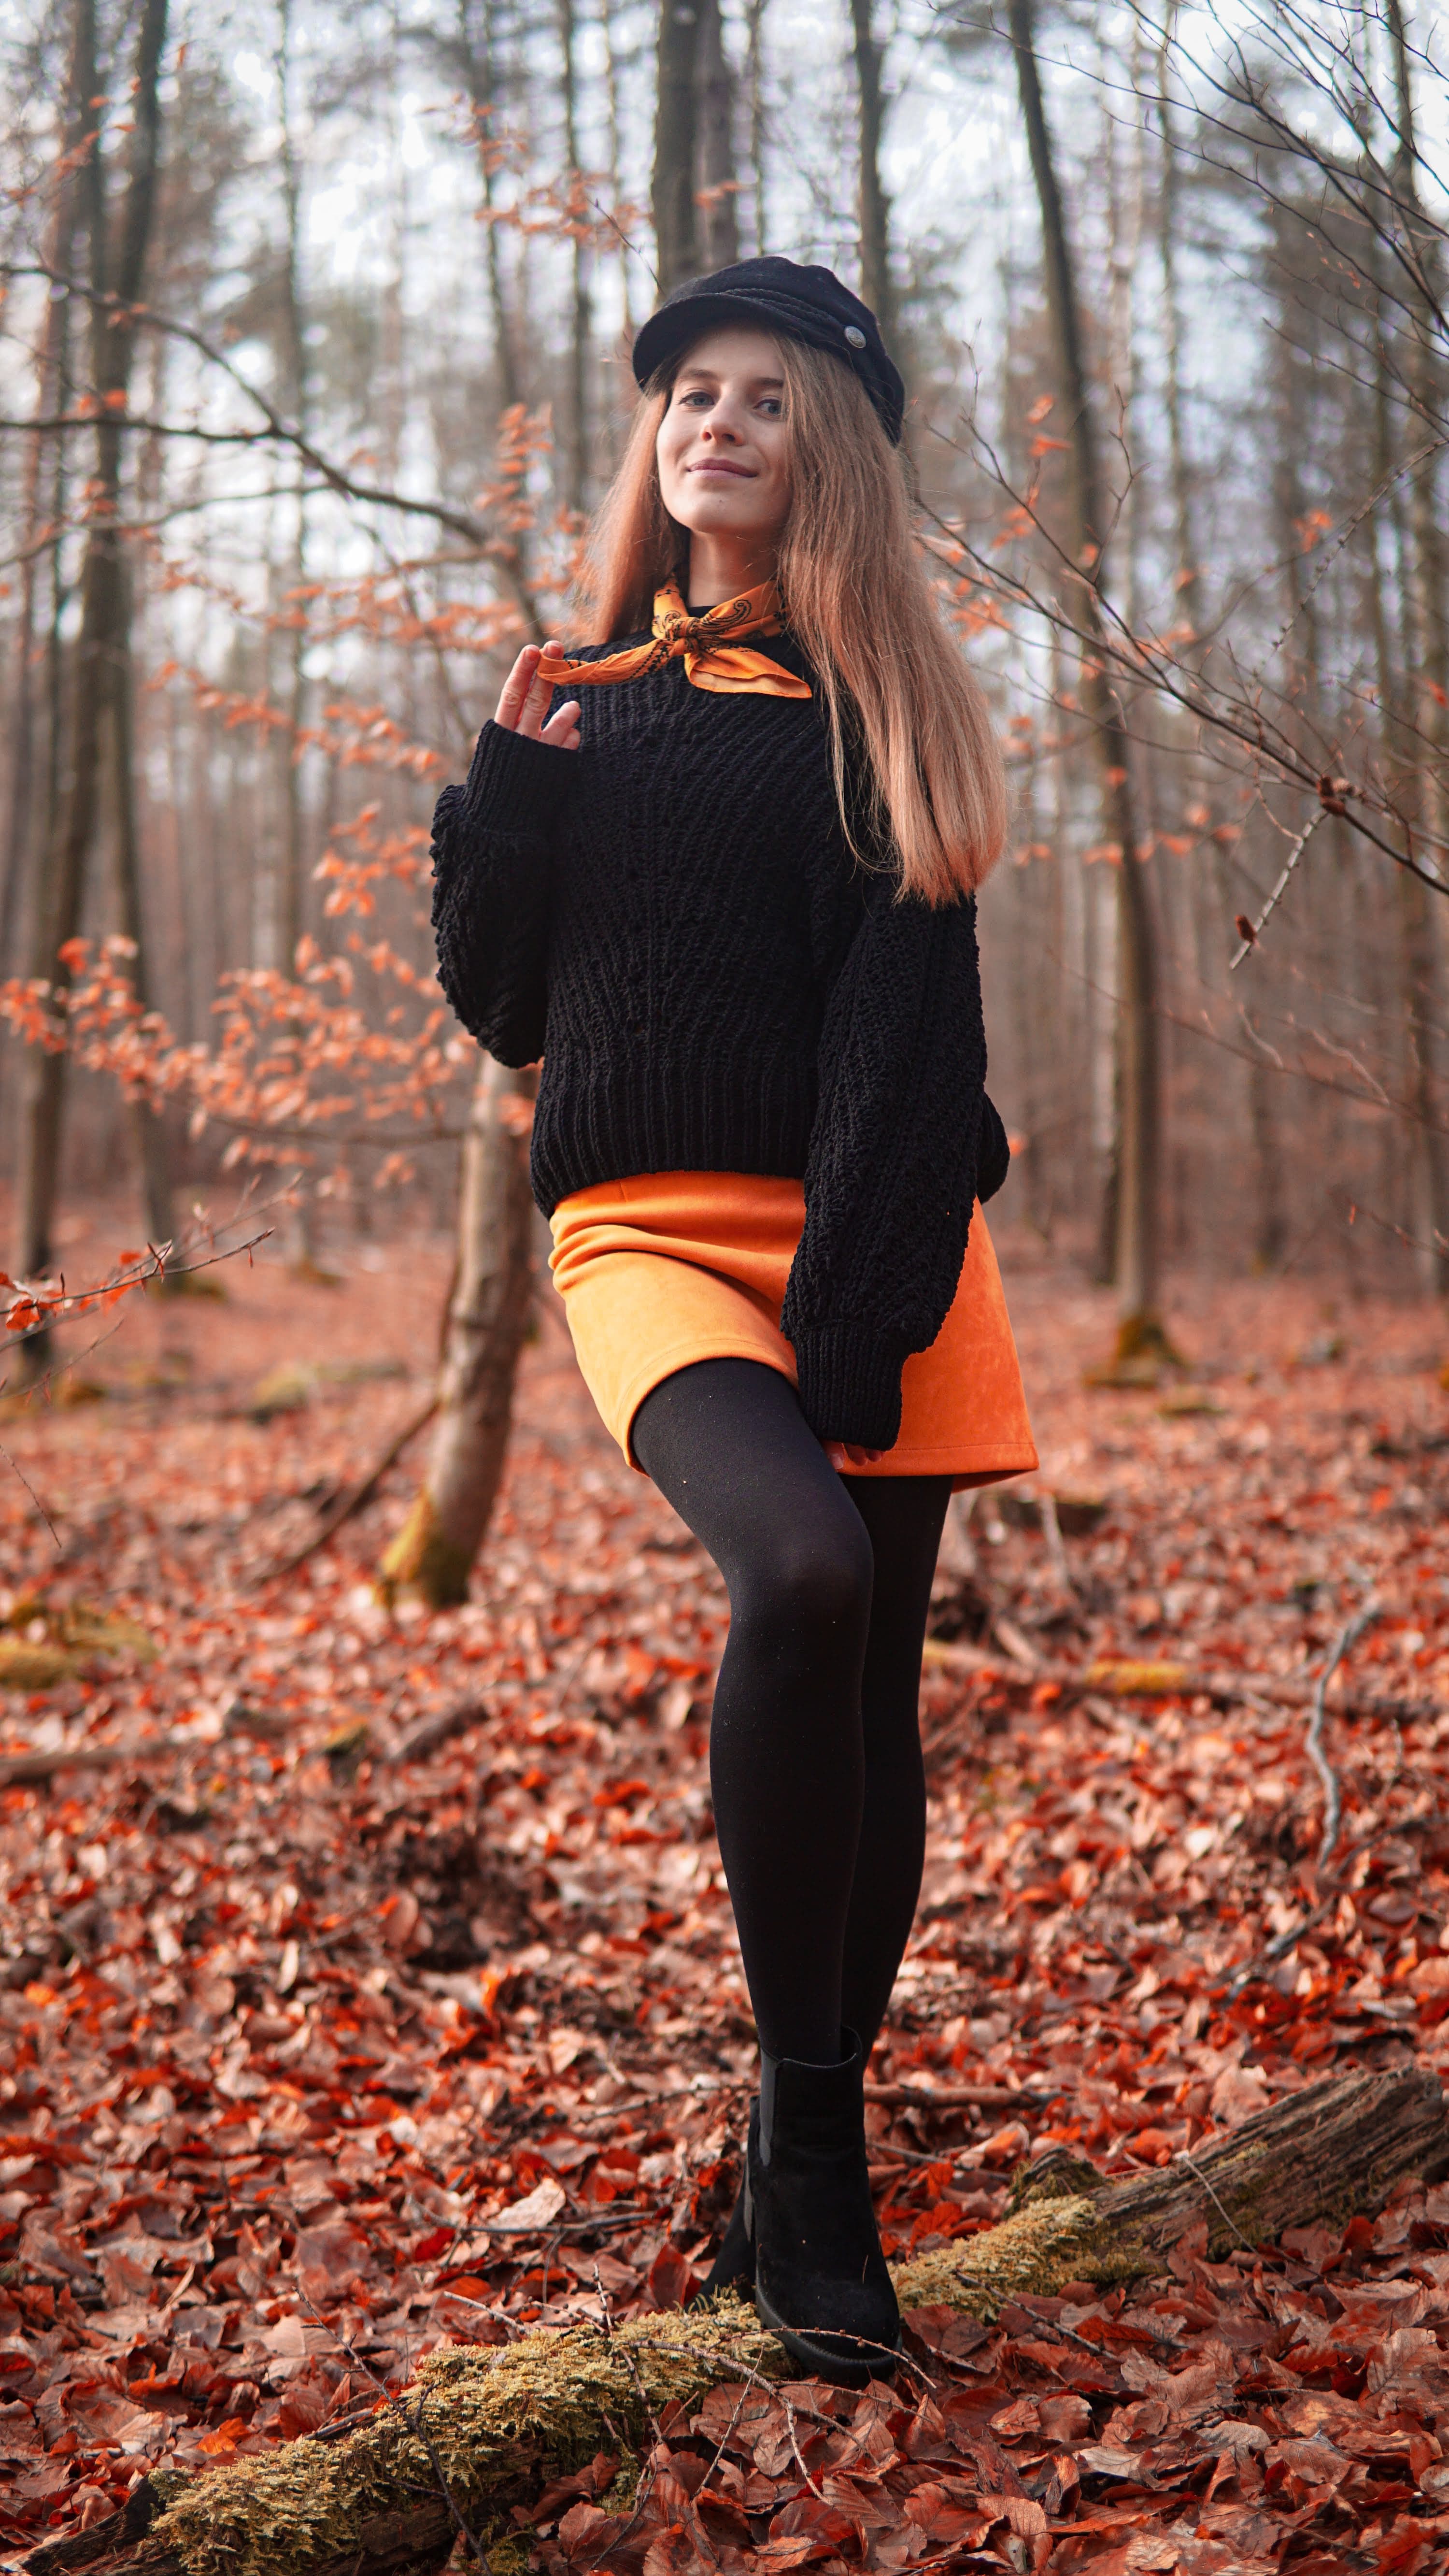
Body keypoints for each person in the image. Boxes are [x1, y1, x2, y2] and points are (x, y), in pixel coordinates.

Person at [432, 256, 1037, 2383]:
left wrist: (859, 1307)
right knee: (799, 1573)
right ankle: (812, 2152)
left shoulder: (888, 718)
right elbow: (509, 1007)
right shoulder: (582, 697)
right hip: (651, 1232)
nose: (720, 422)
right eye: (692, 390)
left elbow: (904, 1045)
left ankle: (803, 2142)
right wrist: (509, 803)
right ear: (658, 436)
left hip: (882, 1225)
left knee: (873, 1693)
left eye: (767, 396)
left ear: (827, 446)